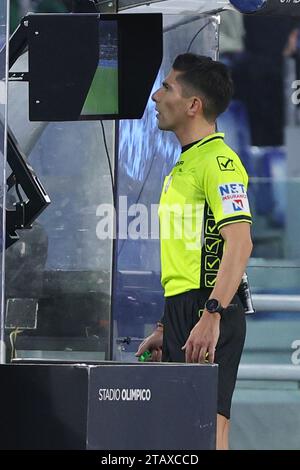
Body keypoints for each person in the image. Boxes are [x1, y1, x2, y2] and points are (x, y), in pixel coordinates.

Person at [136, 53, 253, 450]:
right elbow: (190, 257)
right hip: (184, 309)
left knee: (206, 433)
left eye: (166, 87)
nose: (155, 96)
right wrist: (167, 326)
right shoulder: (184, 165)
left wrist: (212, 315)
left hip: (211, 310)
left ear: (193, 105)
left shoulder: (219, 163)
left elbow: (240, 241)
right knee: (179, 439)